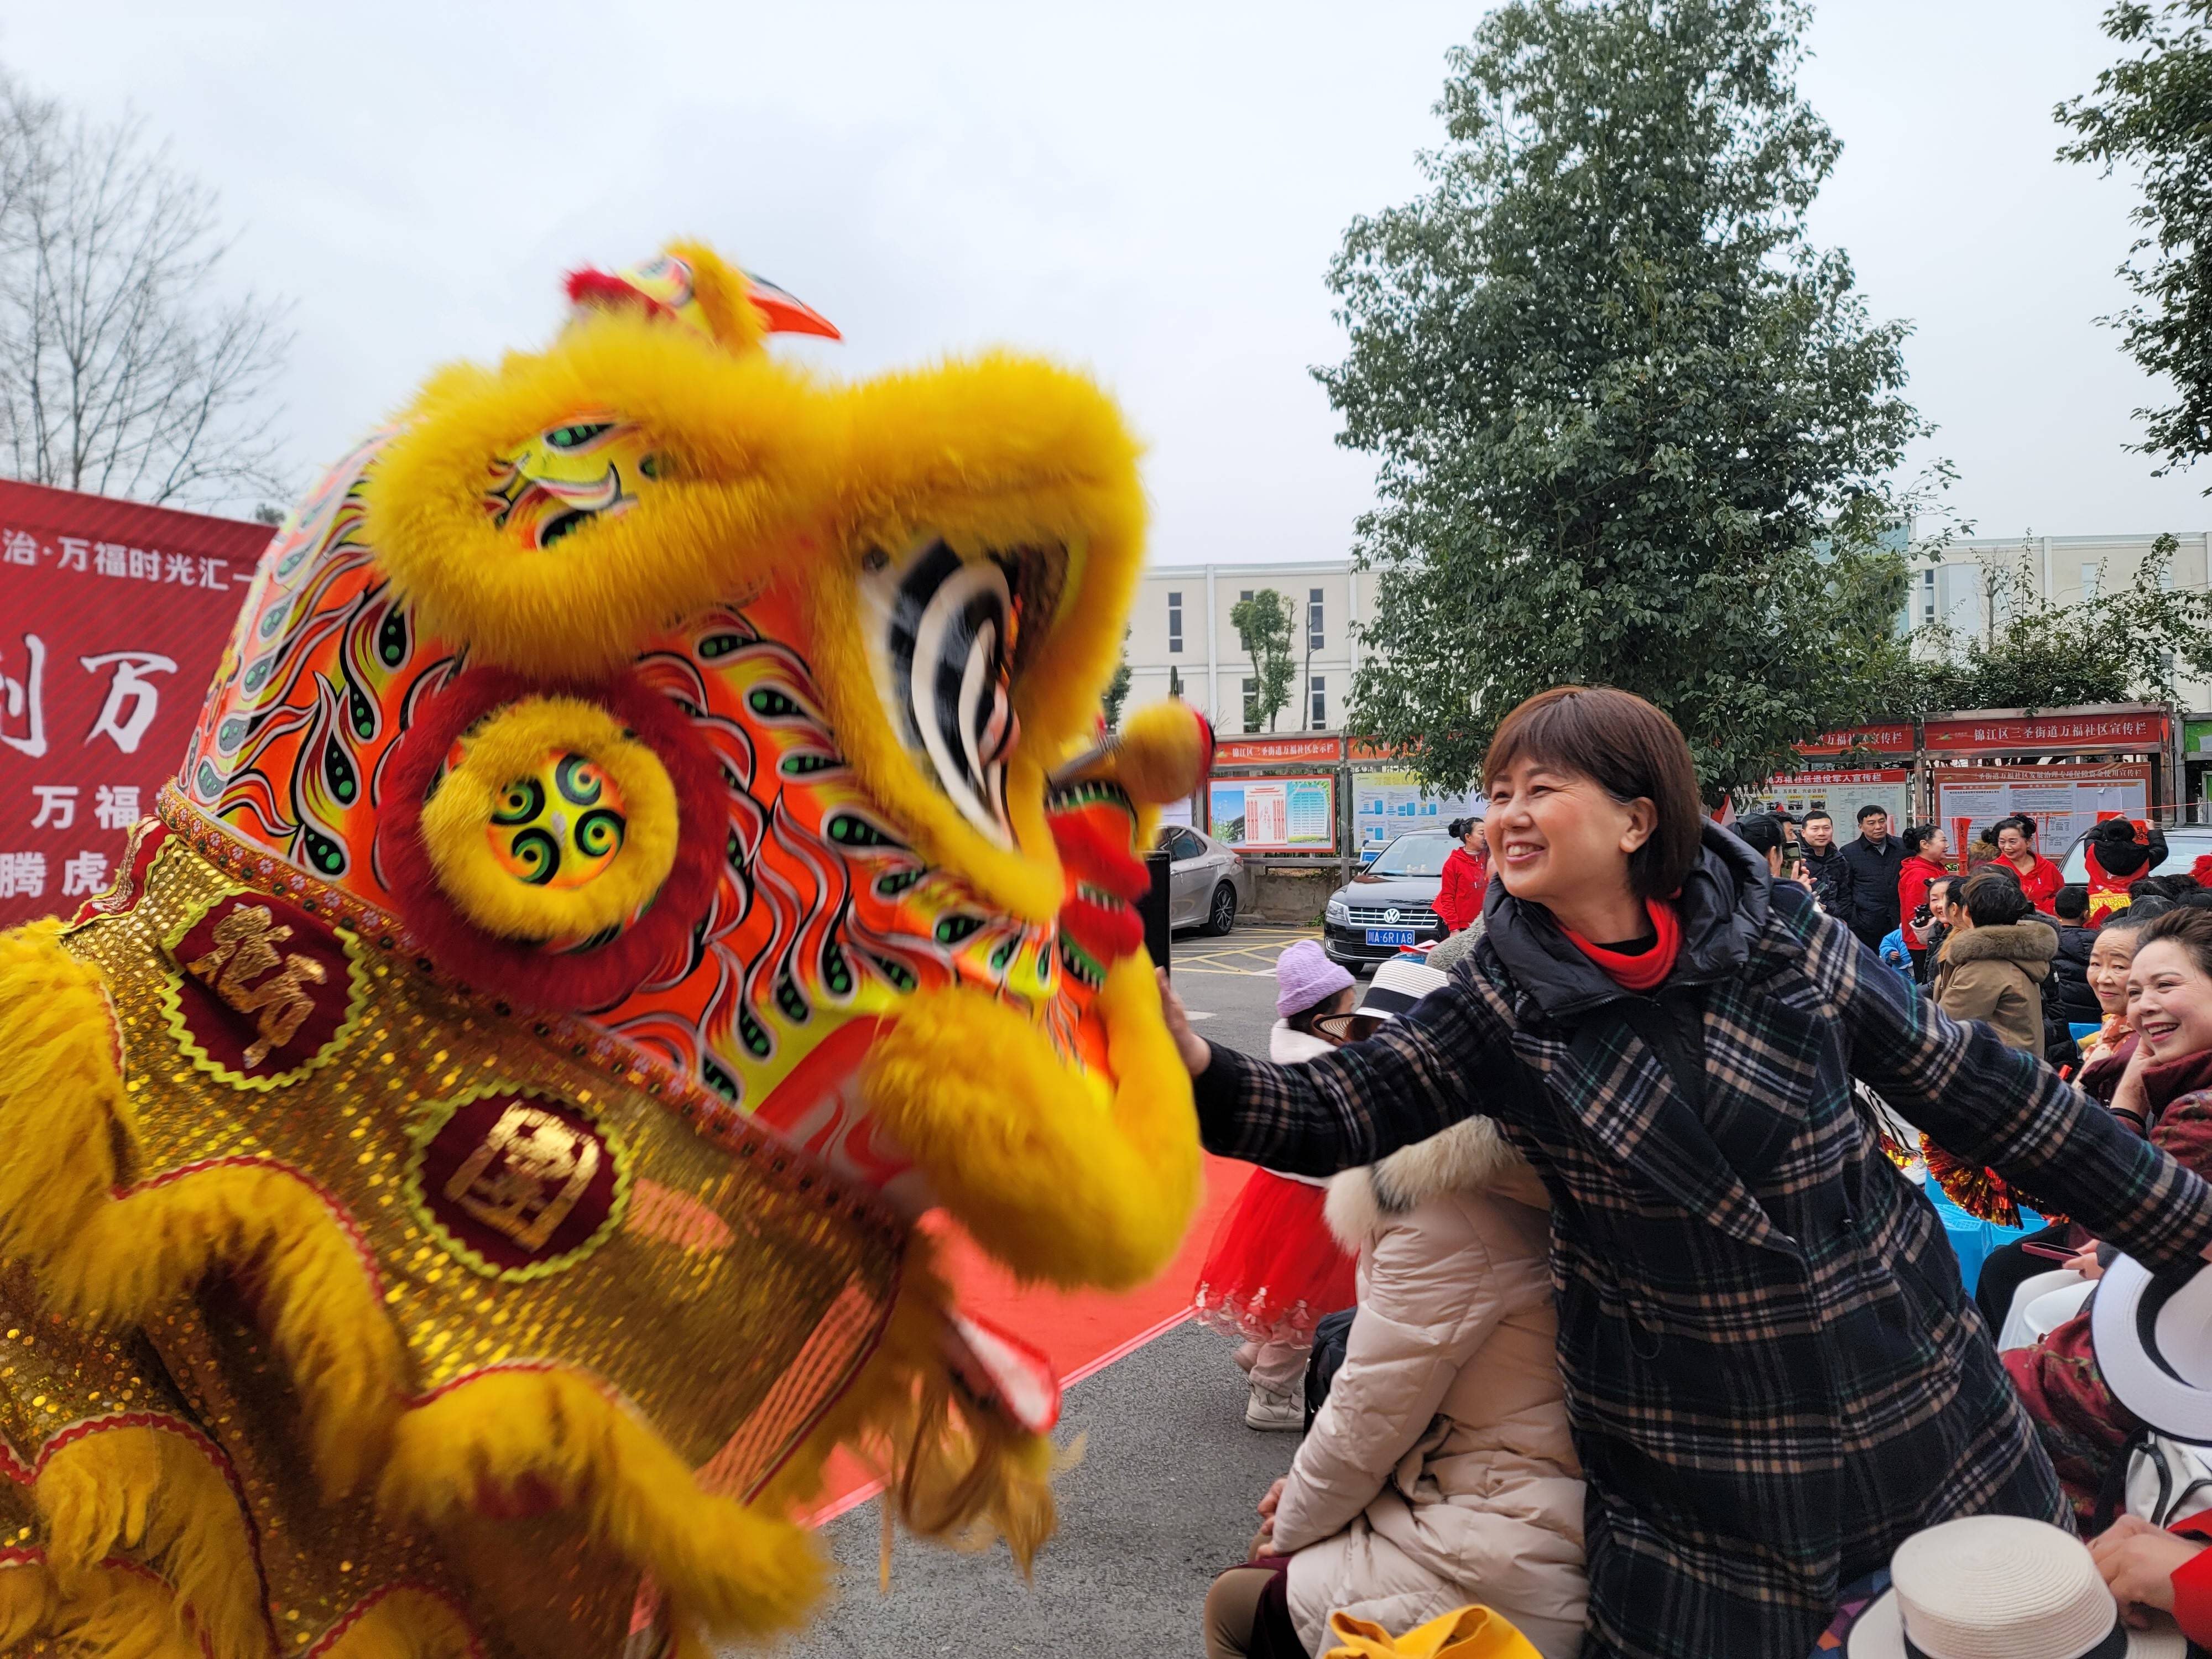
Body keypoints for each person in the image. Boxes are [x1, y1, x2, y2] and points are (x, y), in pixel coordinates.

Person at [1158, 684, 2212, 1659]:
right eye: (1495, 794)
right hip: (1693, 1449)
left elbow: (1986, 1093)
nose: (1505, 815)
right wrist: (1193, 1061)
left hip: (1910, 1388)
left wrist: (2191, 1235)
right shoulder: (1496, 1002)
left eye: (1540, 789)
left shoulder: (1781, 934)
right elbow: (1338, 1111)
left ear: (1636, 817)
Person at [1205, 963, 1588, 1659]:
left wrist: (1291, 1524)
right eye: (1360, 1052)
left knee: (1238, 1599)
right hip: (1503, 1500)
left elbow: (1370, 1411)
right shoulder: (1492, 1170)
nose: (1368, 1078)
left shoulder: (1438, 1210)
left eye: (1391, 1061)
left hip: (1497, 1541)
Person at [2005, 907, 2212, 1526]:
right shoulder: (2164, 1074)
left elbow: (2116, 1212)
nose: (2141, 1002)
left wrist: (2123, 1104)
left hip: (2169, 1352)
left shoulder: (2195, 1107)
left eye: (2165, 985)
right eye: (2135, 986)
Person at [1194, 940, 1361, 1431]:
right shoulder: (1324, 1066)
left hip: (1280, 1194)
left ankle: (1258, 1352)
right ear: (1321, 1021)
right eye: (1348, 1014)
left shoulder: (1291, 1048)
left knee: (1288, 1290)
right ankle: (1271, 1393)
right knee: (1313, 1303)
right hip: (1317, 1199)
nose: (1353, 1023)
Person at [1931, 869, 2057, 1055]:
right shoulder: (2017, 951)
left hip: (1995, 1071)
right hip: (2018, 1063)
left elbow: (1946, 1027)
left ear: (1966, 912)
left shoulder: (1983, 967)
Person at [1841, 803, 1905, 950]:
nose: (1878, 827)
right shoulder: (1849, 852)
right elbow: (1844, 888)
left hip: (1899, 921)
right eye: (1871, 823)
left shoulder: (1902, 847)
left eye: (1882, 821)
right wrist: (1852, 918)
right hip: (1866, 924)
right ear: (1861, 827)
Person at [2087, 818, 2170, 923]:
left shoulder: (2093, 851)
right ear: (2133, 835)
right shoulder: (2144, 855)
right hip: (2133, 906)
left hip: (2096, 907)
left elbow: (2091, 837)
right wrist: (2153, 831)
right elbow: (2161, 850)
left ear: (2106, 835)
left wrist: (2106, 823)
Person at [1898, 823, 1952, 982]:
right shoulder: (1918, 874)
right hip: (1924, 941)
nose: (1947, 845)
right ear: (1925, 844)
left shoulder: (1935, 868)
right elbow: (1918, 914)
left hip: (1935, 937)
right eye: (1943, 840)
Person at [2051, 885, 2104, 1031]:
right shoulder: (2102, 941)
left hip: (2062, 1018)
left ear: (2055, 912)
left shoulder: (2049, 943)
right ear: (2087, 914)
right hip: (2099, 1017)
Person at [1993, 815, 2065, 915]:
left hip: (2046, 926)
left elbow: (2061, 899)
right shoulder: (1993, 870)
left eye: (2013, 842)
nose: (2007, 847)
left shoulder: (2048, 868)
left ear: (2028, 842)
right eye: (2002, 842)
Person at [1434, 817, 1489, 935]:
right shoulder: (1453, 863)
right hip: (1459, 925)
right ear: (1468, 837)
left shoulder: (1490, 858)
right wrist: (1454, 928)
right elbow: (1447, 897)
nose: (1486, 837)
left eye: (1488, 832)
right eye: (1481, 833)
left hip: (1483, 925)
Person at [1800, 808, 1856, 917]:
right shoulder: (1797, 859)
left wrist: (1843, 917)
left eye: (1826, 829)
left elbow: (1844, 894)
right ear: (1803, 832)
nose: (1821, 833)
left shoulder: (1838, 859)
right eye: (1815, 829)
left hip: (1833, 921)